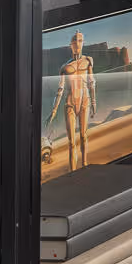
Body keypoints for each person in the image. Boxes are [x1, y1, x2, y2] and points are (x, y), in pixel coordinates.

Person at [47, 31, 98, 171]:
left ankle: (85, 166)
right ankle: (72, 172)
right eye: (75, 41)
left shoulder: (88, 61)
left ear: (83, 43)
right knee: (71, 142)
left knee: (83, 135)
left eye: (80, 40)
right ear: (71, 45)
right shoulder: (65, 67)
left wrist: (94, 102)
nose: (77, 43)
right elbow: (60, 90)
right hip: (70, 103)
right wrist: (54, 110)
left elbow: (91, 82)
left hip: (84, 100)